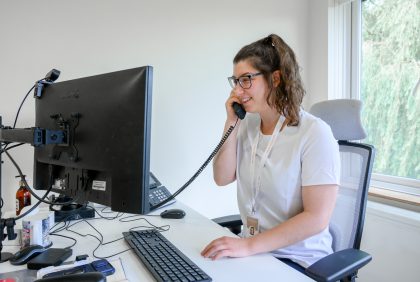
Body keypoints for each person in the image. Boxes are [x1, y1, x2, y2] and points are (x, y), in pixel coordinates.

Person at [201, 34, 340, 271]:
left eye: (246, 80)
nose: (237, 90)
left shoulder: (314, 133)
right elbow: (222, 178)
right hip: (255, 253)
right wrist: (231, 123)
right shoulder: (247, 125)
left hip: (299, 261)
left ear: (275, 78)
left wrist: (247, 246)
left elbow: (317, 218)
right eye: (235, 81)